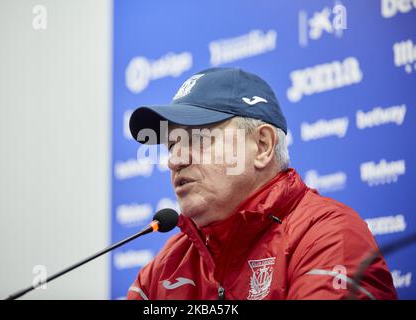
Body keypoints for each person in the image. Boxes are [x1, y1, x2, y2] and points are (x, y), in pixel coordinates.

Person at [126, 67, 397, 300]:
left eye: (198, 139)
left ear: (262, 145)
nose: (174, 161)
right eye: (173, 145)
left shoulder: (329, 235)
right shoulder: (163, 270)